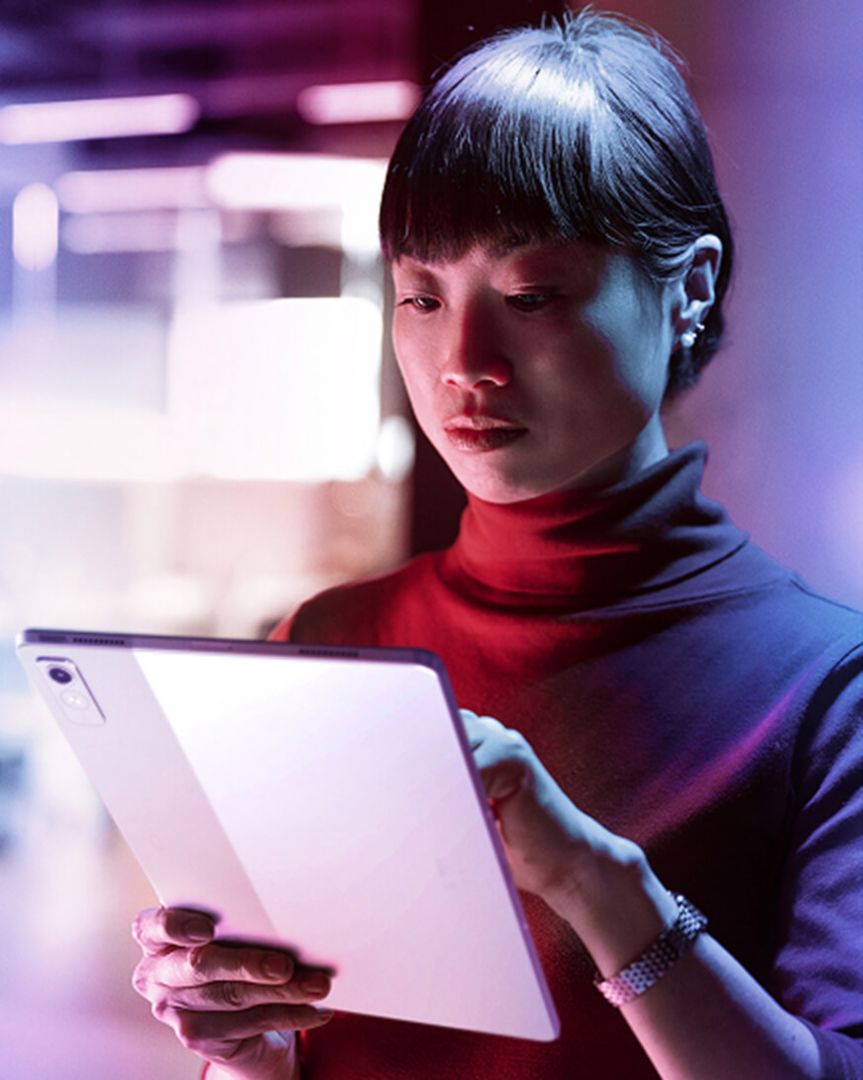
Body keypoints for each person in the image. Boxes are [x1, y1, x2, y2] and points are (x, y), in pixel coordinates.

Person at [131, 9, 863, 1078]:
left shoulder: (820, 691)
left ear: (689, 289)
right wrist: (247, 1042)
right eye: (420, 295)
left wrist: (592, 884)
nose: (461, 359)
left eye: (530, 295)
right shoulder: (331, 639)